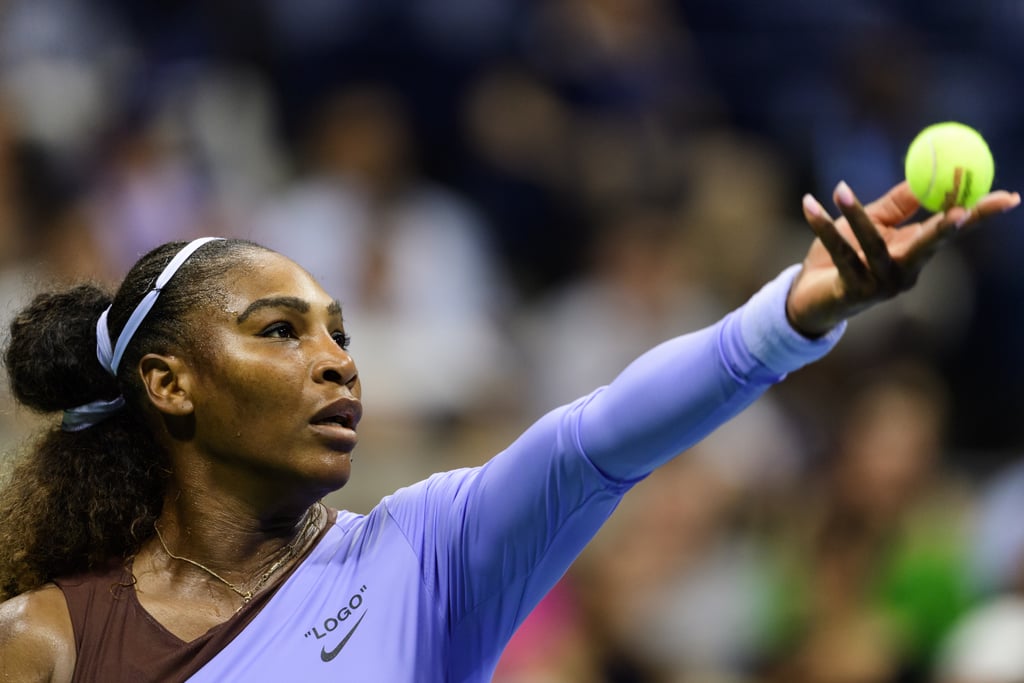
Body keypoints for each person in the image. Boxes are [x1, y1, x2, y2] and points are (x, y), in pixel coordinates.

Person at [0, 180, 1017, 682]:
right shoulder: (44, 639)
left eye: (342, 333)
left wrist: (792, 313)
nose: (337, 358)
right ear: (168, 382)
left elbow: (599, 437)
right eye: (281, 330)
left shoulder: (426, 550)